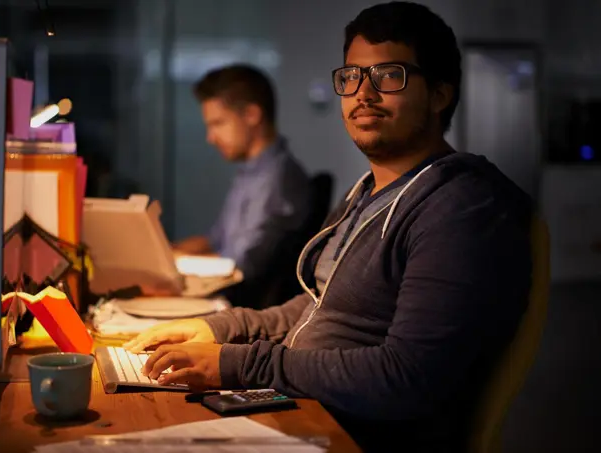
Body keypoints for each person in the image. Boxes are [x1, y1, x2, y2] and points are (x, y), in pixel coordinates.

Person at [124, 3, 534, 451]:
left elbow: (406, 377)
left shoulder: (458, 208)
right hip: (302, 405)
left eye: (388, 76)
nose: (364, 93)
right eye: (352, 77)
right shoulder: (369, 193)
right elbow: (321, 305)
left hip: (348, 435)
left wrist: (237, 363)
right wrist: (221, 328)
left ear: (439, 93)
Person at [173, 64, 312, 287]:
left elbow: (238, 265)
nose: (211, 137)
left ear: (251, 114)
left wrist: (176, 263)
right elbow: (216, 240)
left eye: (218, 123)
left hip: (240, 302)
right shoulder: (251, 173)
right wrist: (167, 252)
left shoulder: (276, 179)